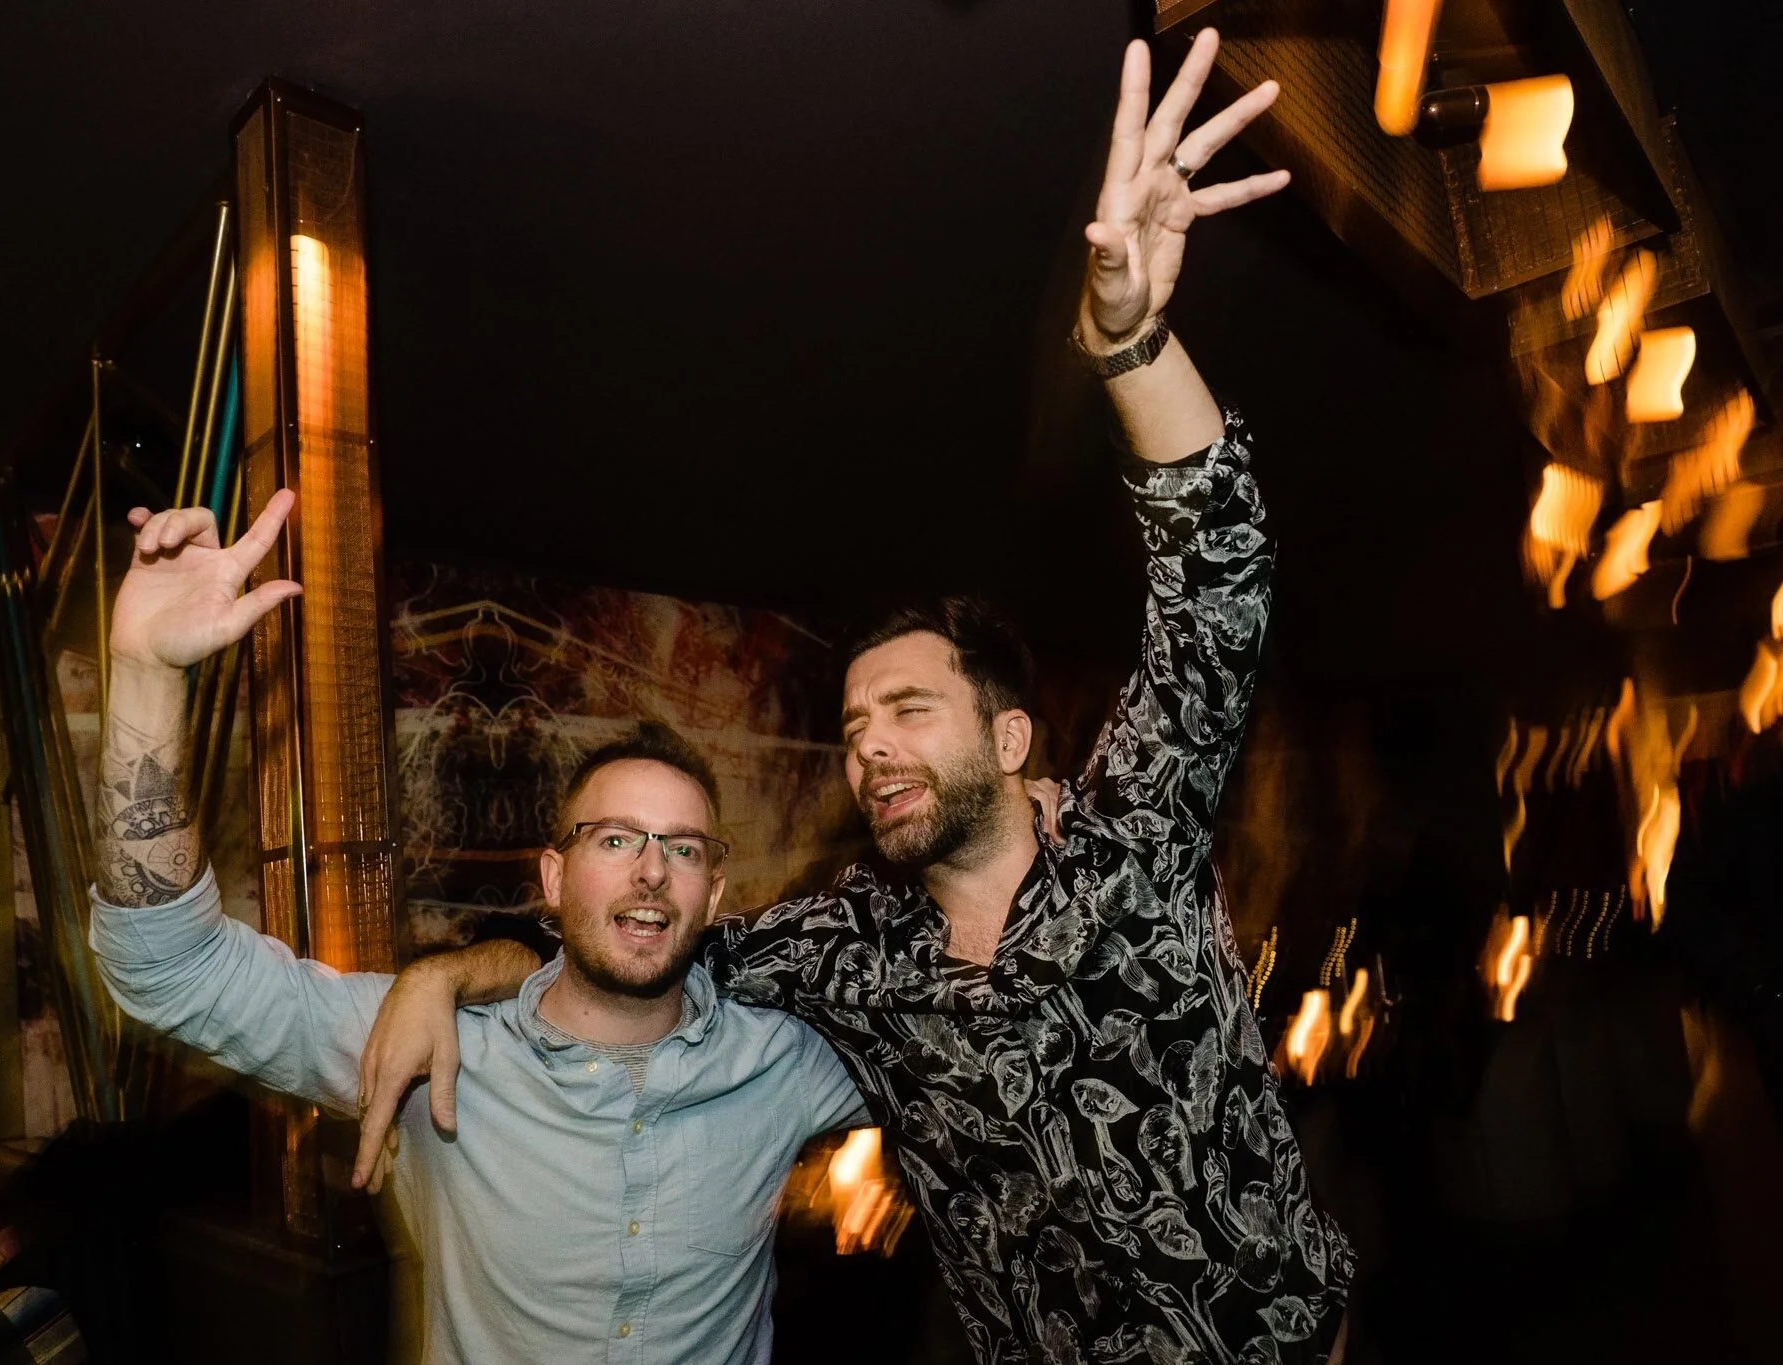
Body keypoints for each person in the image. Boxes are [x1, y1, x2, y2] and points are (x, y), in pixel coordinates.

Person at [352, 30, 1354, 1365]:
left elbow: (1218, 574)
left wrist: (1128, 345)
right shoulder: (845, 951)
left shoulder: (1135, 831)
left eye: (909, 710)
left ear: (1008, 736)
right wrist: (447, 975)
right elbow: (632, 935)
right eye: (853, 727)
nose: (870, 743)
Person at [87, 512, 872, 1363]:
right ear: (553, 877)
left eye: (683, 848)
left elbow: (966, 1035)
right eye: (615, 838)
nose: (652, 870)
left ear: (713, 891)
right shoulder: (435, 1049)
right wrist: (145, 675)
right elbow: (171, 968)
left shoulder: (788, 1061)